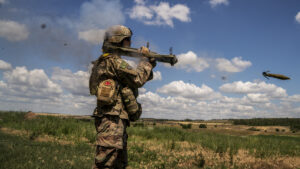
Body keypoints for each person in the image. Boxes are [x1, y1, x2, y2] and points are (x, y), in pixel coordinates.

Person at [89, 25, 156, 169]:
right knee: (105, 164)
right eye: (127, 40)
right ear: (118, 40)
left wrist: (149, 64)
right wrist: (145, 60)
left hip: (112, 118)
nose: (130, 44)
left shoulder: (102, 61)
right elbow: (137, 79)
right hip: (112, 120)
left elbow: (133, 80)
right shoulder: (115, 61)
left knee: (118, 163)